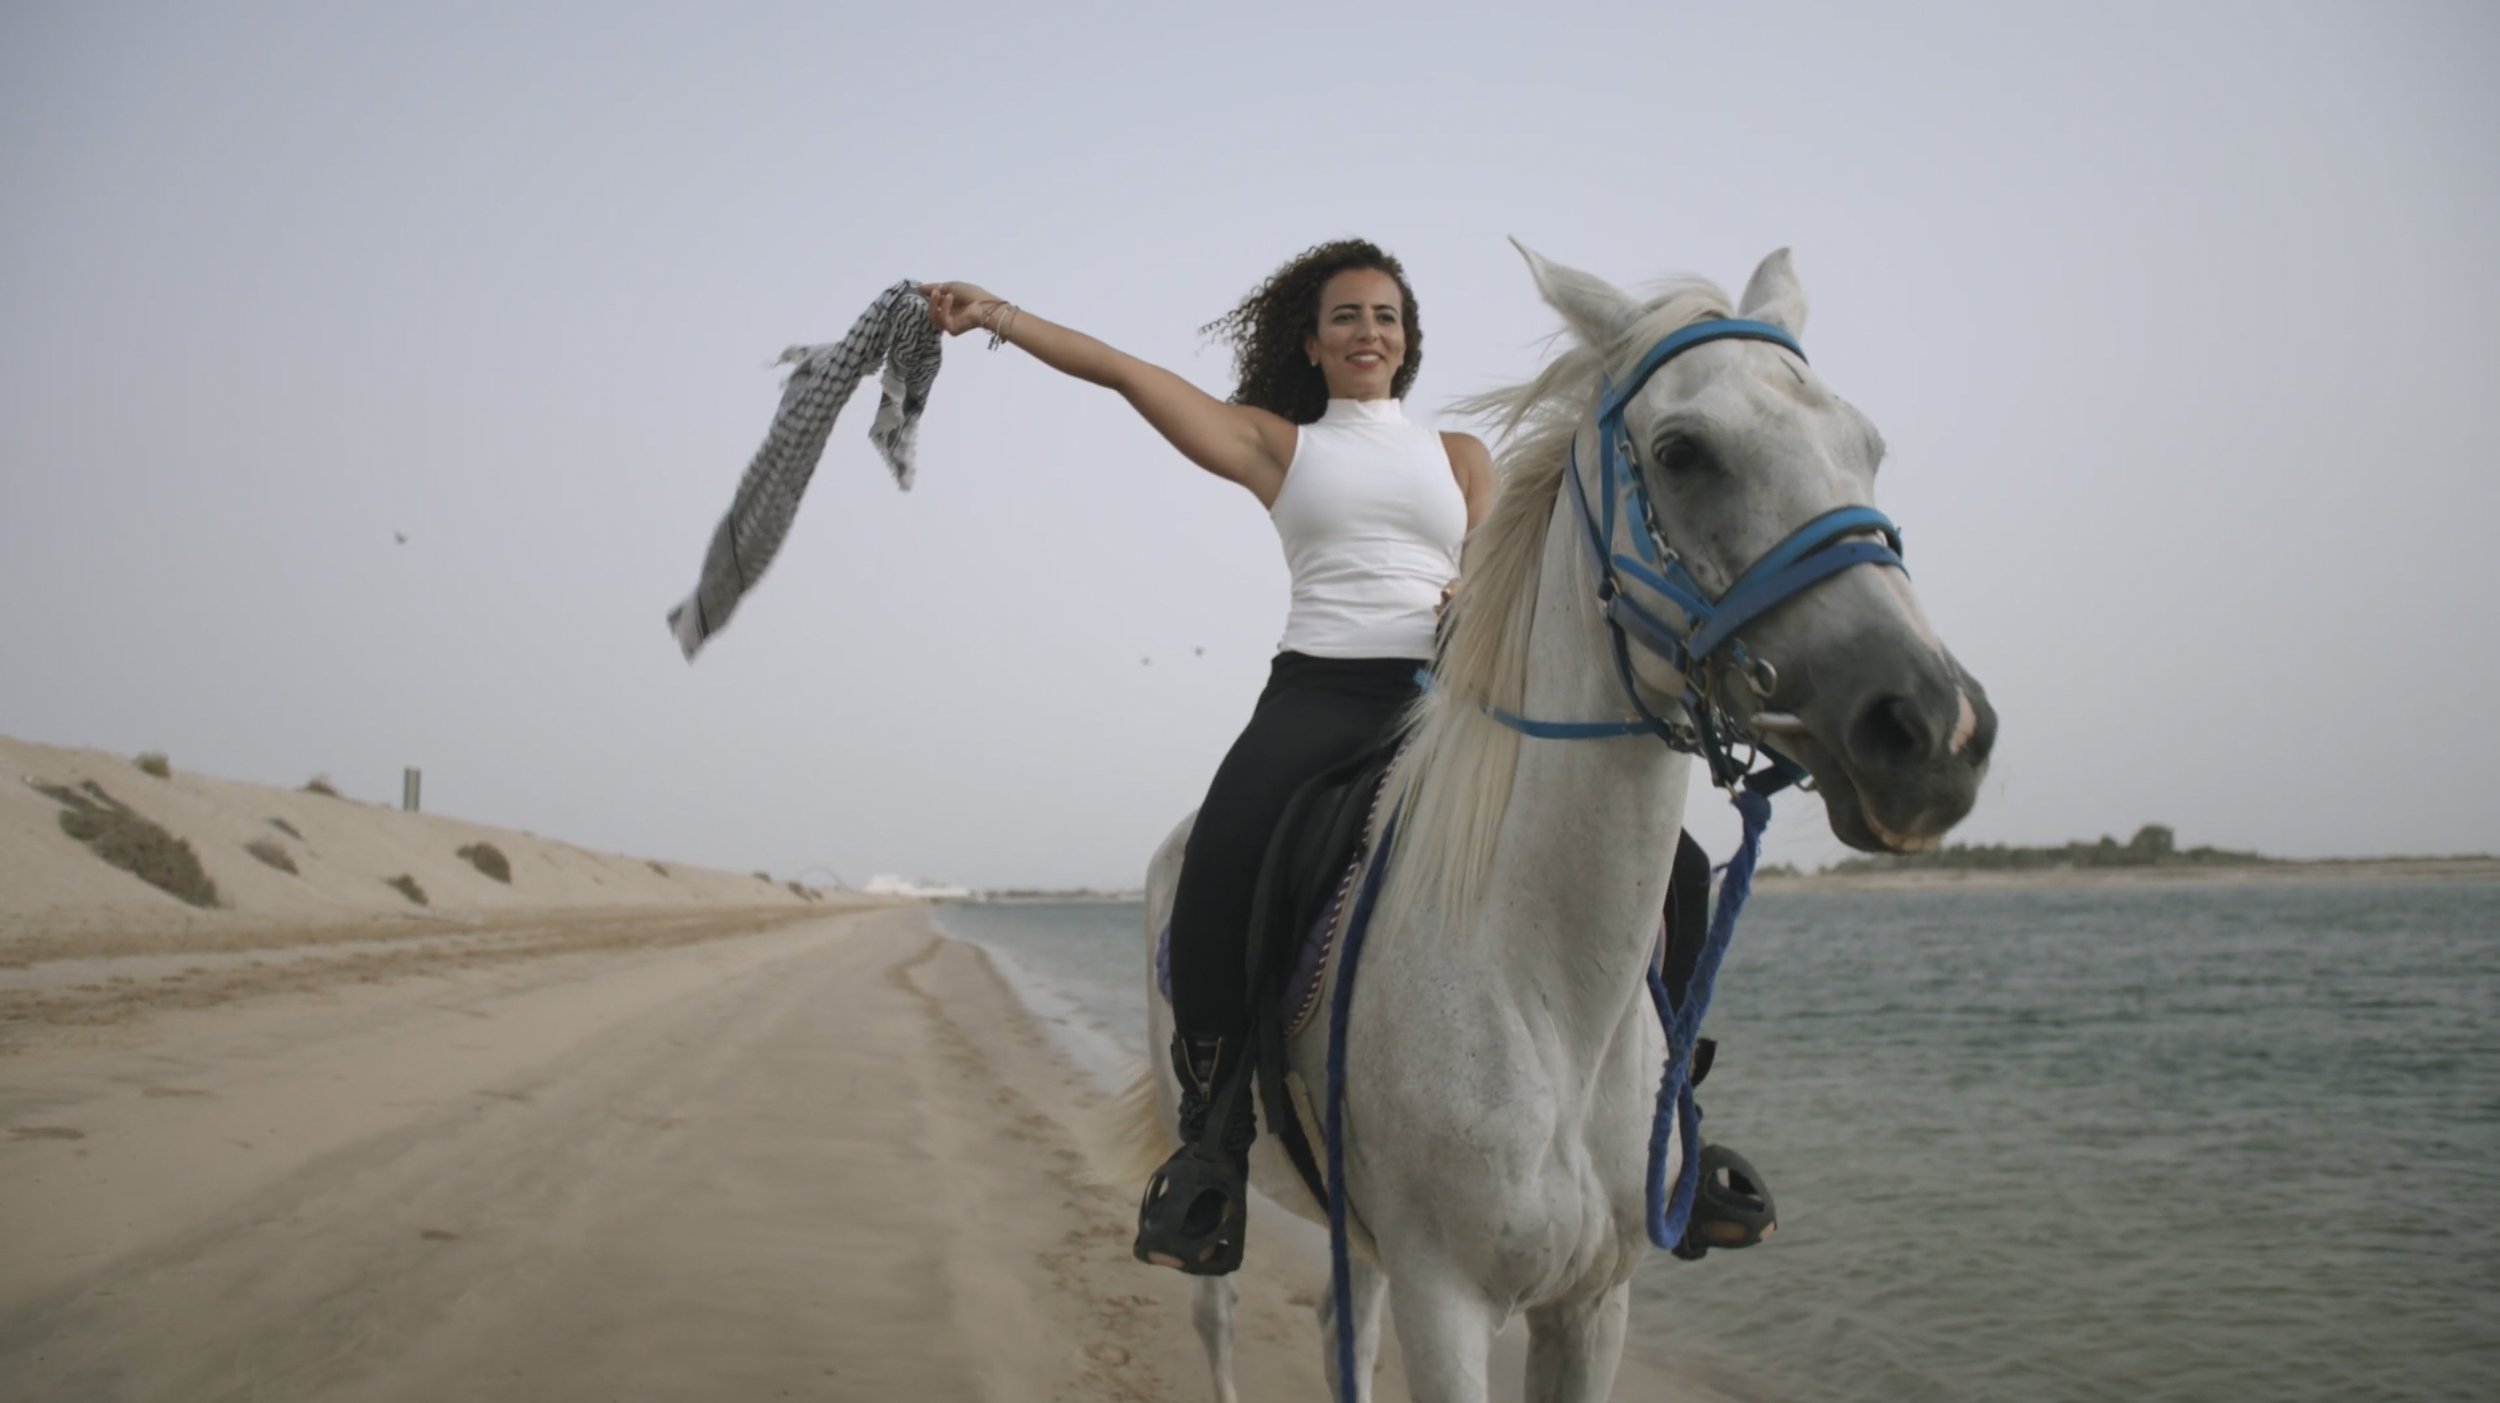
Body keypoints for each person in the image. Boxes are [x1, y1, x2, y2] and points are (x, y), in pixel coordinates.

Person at [921, 240, 1493, 1274]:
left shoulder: (1461, 455)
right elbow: (1125, 372)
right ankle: (1214, 1137)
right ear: (1312, 344)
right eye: (1346, 315)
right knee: (1220, 864)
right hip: (1322, 691)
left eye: (1386, 316)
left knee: (1656, 855)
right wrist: (997, 313)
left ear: (1408, 340)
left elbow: (1491, 565)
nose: (1368, 330)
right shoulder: (1278, 444)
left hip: (1444, 700)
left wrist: (1472, 591)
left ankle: (1671, 1104)